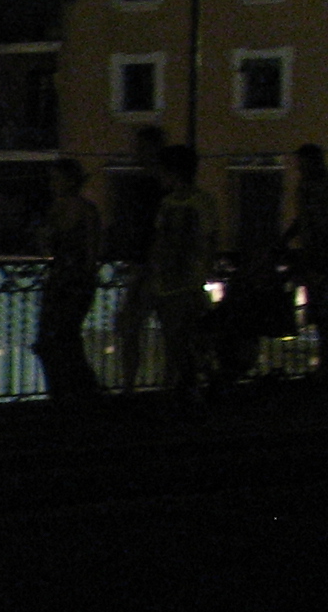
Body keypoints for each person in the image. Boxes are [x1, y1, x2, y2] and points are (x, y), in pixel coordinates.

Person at [122, 143, 213, 402]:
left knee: (177, 339)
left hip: (179, 280)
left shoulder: (190, 202)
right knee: (175, 338)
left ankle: (175, 389)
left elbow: (203, 240)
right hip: (169, 278)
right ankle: (174, 388)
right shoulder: (176, 202)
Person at [33, 156, 105, 408]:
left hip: (75, 280)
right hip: (61, 278)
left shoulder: (85, 210)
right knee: (54, 338)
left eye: (57, 178)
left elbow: (92, 251)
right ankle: (70, 390)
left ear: (70, 180)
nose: (52, 184)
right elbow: (47, 247)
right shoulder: (57, 209)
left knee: (64, 335)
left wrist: (84, 279)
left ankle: (76, 391)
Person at [107, 125, 168, 387]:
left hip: (149, 267)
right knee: (163, 331)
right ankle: (166, 385)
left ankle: (130, 385)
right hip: (156, 267)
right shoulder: (159, 187)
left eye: (141, 148)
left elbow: (145, 229)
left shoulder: (149, 187)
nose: (137, 153)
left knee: (131, 328)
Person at [285, 143, 328, 379]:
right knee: (319, 310)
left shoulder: (312, 188)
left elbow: (308, 221)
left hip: (317, 254)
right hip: (313, 254)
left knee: (320, 310)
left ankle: (323, 362)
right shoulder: (307, 188)